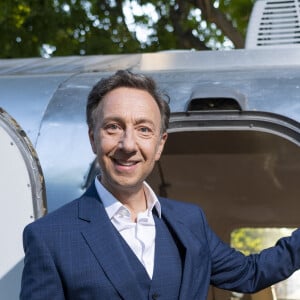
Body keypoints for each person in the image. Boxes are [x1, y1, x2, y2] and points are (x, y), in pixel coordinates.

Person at [20, 70, 300, 300]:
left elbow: (250, 274)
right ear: (93, 138)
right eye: (113, 127)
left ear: (159, 145)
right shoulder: (48, 238)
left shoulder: (190, 221)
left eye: (144, 129)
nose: (128, 145)